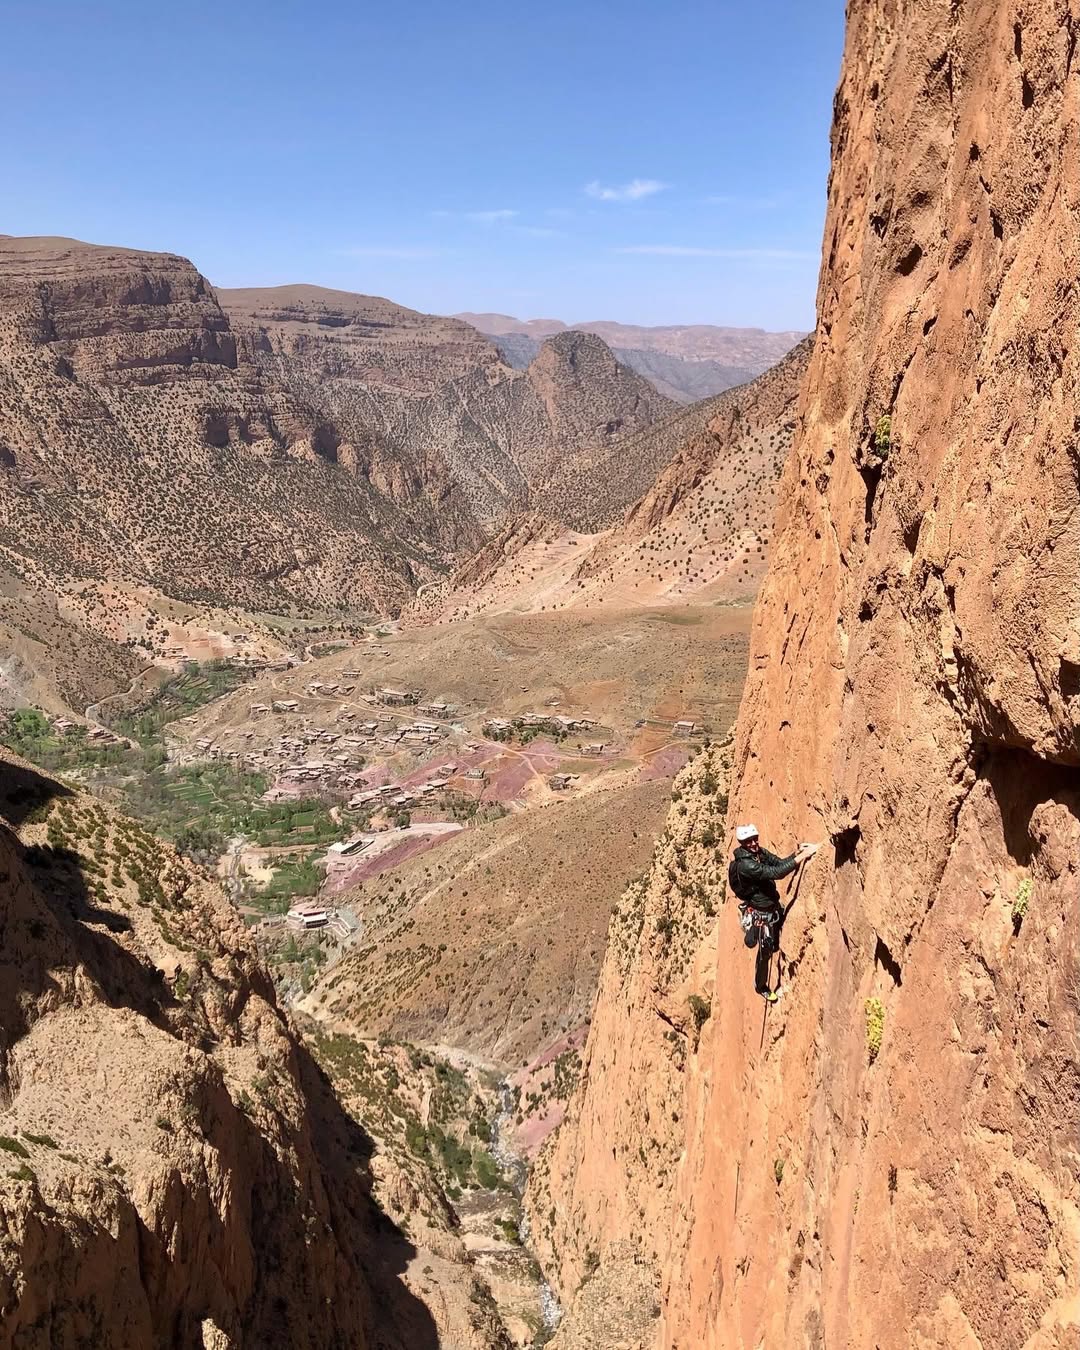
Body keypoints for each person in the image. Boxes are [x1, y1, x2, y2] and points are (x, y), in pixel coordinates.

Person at [729, 824, 818, 1001]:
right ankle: (761, 986)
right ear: (742, 843)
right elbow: (776, 873)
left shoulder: (759, 853)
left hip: (772, 906)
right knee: (765, 952)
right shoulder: (747, 865)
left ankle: (773, 941)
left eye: (755, 839)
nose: (754, 843)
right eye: (749, 841)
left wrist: (797, 854)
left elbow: (778, 862)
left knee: (775, 936)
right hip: (762, 913)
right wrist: (802, 857)